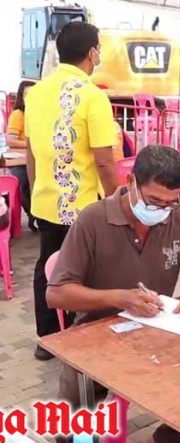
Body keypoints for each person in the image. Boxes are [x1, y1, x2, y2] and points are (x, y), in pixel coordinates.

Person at [46, 145, 180, 443]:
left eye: (170, 201)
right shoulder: (94, 220)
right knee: (73, 423)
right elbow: (56, 293)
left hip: (158, 335)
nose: (161, 209)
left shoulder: (176, 219)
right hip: (95, 339)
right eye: (153, 201)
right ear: (131, 182)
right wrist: (120, 298)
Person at [25, 22, 119, 360]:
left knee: (48, 268)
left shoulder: (36, 93)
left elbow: (31, 151)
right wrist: (118, 200)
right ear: (92, 53)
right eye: (99, 48)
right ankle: (84, 337)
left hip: (46, 201)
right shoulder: (93, 96)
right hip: (83, 207)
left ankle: (48, 338)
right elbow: (104, 161)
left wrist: (36, 191)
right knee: (88, 272)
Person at [6, 80, 36, 230]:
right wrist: (32, 144)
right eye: (27, 94)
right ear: (21, 97)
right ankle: (32, 215)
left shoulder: (40, 115)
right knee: (23, 181)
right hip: (19, 161)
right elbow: (11, 140)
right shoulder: (18, 114)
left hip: (36, 158)